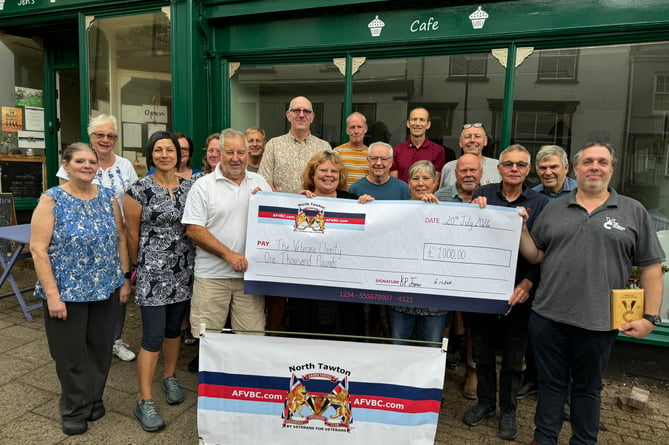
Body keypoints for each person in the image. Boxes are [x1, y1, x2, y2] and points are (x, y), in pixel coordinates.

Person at [519, 142, 664, 445]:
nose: (594, 167)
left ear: (611, 169)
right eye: (588, 162)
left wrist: (651, 317)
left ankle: (584, 441)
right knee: (550, 384)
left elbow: (651, 267)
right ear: (576, 169)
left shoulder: (632, 211)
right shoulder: (554, 208)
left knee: (587, 388)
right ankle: (544, 438)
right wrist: (520, 229)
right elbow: (536, 256)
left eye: (602, 162)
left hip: (598, 321)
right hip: (548, 317)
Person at [31, 142, 131, 435]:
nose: (87, 166)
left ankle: (93, 398)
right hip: (66, 292)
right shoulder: (52, 199)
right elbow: (38, 250)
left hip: (106, 287)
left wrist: (124, 279)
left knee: (100, 349)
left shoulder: (108, 198)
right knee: (70, 353)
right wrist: (52, 295)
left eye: (91, 161)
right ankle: (74, 408)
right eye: (80, 161)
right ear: (67, 165)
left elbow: (121, 239)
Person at [464, 144, 548, 441]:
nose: (514, 169)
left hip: (520, 288)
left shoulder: (540, 203)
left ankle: (508, 409)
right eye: (508, 164)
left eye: (520, 165)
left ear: (528, 170)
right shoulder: (482, 195)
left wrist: (527, 284)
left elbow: (544, 251)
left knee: (514, 358)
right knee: (483, 351)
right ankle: (485, 402)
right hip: (484, 287)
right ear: (498, 168)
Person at [183, 128, 272, 372]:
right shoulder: (203, 186)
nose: (236, 158)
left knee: (251, 337)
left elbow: (278, 222)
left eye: (241, 152)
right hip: (212, 275)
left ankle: (244, 384)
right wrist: (228, 255)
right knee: (209, 337)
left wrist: (269, 202)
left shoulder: (260, 182)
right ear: (220, 153)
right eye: (230, 152)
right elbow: (193, 229)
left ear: (248, 153)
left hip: (249, 277)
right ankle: (213, 390)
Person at [123, 131, 195, 432]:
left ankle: (169, 377)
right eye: (158, 150)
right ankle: (145, 400)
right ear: (150, 155)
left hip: (183, 272)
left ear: (179, 155)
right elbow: (131, 233)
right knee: (152, 337)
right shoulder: (138, 190)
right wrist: (136, 269)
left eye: (170, 150)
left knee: (173, 331)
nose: (165, 155)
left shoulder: (191, 188)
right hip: (153, 272)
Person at [56, 114, 138, 363]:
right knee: (82, 292)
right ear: (91, 136)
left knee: (119, 292)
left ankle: (114, 339)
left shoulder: (125, 166)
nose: (105, 139)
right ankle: (82, 340)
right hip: (81, 243)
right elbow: (63, 197)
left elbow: (134, 200)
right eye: (100, 135)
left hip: (117, 241)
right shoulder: (77, 161)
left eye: (110, 135)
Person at [258, 96, 331, 331]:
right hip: (280, 223)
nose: (301, 115)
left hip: (314, 225)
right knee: (278, 287)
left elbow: (330, 181)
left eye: (306, 111)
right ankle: (274, 332)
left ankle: (304, 334)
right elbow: (265, 180)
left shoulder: (323, 147)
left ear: (312, 116)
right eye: (296, 110)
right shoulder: (274, 145)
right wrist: (287, 204)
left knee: (307, 285)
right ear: (288, 115)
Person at [518, 144, 578, 401]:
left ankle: (565, 392)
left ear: (566, 168)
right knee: (536, 332)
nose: (548, 172)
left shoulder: (580, 192)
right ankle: (532, 377)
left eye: (554, 167)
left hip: (570, 275)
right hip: (539, 271)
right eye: (543, 168)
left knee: (569, 336)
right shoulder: (533, 196)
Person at [292, 150, 367, 336]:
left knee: (345, 333)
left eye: (334, 171)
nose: (329, 175)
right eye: (323, 170)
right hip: (307, 286)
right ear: (312, 174)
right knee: (305, 333)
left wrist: (371, 208)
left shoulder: (353, 203)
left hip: (345, 286)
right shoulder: (299, 201)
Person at [386, 160, 452, 345]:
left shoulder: (448, 213)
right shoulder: (394, 211)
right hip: (400, 297)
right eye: (415, 178)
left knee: (431, 349)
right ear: (408, 183)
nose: (420, 183)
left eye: (426, 178)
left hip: (435, 300)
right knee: (398, 347)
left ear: (434, 182)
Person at [434, 153, 483, 399]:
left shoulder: (490, 197)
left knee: (474, 326)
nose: (468, 175)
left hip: (475, 274)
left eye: (473, 170)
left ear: (481, 173)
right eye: (463, 171)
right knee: (442, 322)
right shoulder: (440, 197)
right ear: (455, 174)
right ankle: (437, 371)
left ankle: (472, 372)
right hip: (443, 270)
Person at [391, 107, 446, 185]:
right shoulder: (397, 150)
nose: (417, 124)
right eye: (414, 119)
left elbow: (435, 182)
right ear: (408, 123)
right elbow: (394, 182)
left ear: (428, 125)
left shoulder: (438, 151)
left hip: (426, 196)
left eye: (422, 120)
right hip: (403, 196)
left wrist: (423, 197)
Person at [440, 123, 501, 189]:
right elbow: (442, 196)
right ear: (460, 142)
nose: (472, 140)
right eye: (467, 137)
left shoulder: (497, 167)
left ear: (485, 141)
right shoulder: (448, 168)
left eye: (477, 136)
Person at [335, 112, 369, 186]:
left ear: (366, 129)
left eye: (359, 127)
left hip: (364, 196)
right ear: (347, 130)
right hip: (343, 196)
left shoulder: (371, 154)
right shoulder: (337, 153)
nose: (356, 131)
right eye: (352, 127)